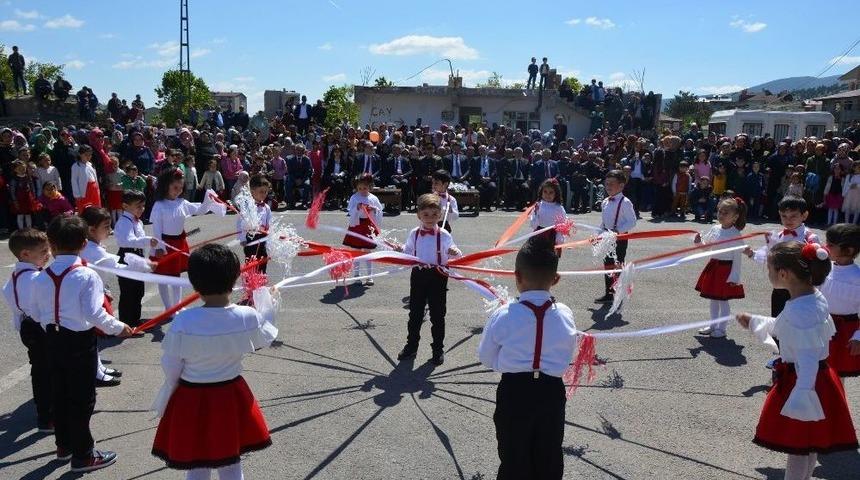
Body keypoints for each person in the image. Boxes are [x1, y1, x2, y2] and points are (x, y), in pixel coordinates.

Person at [151, 244, 276, 480]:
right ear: (234, 277)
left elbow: (170, 363)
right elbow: (266, 336)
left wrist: (173, 385)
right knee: (231, 459)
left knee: (197, 461)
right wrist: (267, 301)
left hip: (191, 396)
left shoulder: (185, 320)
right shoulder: (246, 316)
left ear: (194, 283)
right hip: (230, 394)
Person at [736, 242, 858, 480]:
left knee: (798, 447)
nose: (768, 274)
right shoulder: (811, 297)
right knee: (808, 445)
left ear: (784, 274)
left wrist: (803, 393)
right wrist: (754, 321)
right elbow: (787, 327)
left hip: (805, 381)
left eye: (769, 269)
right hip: (816, 379)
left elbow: (808, 354)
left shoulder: (802, 309)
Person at [32, 215, 133, 473]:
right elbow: (94, 314)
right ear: (83, 242)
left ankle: (64, 446)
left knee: (61, 393)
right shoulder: (86, 275)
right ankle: (84, 455)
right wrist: (119, 327)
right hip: (79, 343)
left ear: (52, 244)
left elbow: (36, 312)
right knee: (82, 400)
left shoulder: (41, 276)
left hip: (52, 340)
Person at [478, 236, 578, 480]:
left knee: (514, 452)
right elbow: (568, 352)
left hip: (514, 390)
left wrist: (507, 363)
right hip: (551, 392)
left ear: (517, 276)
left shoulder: (504, 314)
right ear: (555, 279)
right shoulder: (565, 314)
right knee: (549, 451)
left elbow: (485, 357)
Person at [396, 193, 462, 365]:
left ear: (440, 215)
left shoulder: (445, 234)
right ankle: (411, 347)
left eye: (434, 215)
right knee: (415, 314)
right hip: (418, 276)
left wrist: (454, 252)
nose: (430, 218)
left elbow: (454, 253)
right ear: (419, 215)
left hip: (438, 277)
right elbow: (408, 252)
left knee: (438, 315)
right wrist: (399, 248)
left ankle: (437, 349)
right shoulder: (414, 233)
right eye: (426, 215)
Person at [150, 168, 225, 310]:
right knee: (163, 278)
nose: (178, 190)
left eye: (180, 187)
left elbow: (200, 210)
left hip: (179, 243)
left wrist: (208, 199)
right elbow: (157, 230)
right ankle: (168, 308)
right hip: (164, 244)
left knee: (176, 276)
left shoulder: (182, 202)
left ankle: (177, 305)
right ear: (166, 186)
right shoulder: (159, 205)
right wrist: (160, 247)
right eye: (175, 187)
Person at [2, 228, 53, 433]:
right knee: (48, 372)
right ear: (25, 254)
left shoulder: (14, 277)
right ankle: (48, 417)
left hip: (27, 326)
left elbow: (13, 303)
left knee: (41, 369)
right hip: (40, 328)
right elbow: (42, 309)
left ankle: (46, 413)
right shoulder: (35, 279)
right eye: (43, 251)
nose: (48, 254)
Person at [747, 196, 820, 317]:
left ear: (804, 215)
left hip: (800, 289)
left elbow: (817, 265)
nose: (788, 220)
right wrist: (751, 253)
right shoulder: (778, 236)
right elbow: (769, 257)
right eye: (784, 216)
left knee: (798, 323)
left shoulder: (810, 238)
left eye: (793, 216)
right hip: (780, 287)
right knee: (778, 321)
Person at [694, 197, 748, 338]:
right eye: (720, 212)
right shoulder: (715, 228)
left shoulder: (735, 234)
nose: (721, 215)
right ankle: (712, 325)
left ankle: (722, 329)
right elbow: (707, 248)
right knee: (713, 299)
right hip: (714, 267)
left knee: (723, 301)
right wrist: (699, 243)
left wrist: (734, 276)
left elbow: (737, 258)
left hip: (726, 270)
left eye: (725, 213)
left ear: (735, 217)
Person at [821, 223, 860, 379]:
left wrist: (858, 337)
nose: (825, 246)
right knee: (814, 369)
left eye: (830, 244)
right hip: (820, 326)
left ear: (849, 250)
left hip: (845, 332)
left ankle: (835, 402)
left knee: (836, 376)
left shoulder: (857, 277)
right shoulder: (824, 268)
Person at [114, 190, 157, 328]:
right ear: (125, 206)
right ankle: (127, 323)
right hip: (127, 257)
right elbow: (127, 241)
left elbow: (140, 242)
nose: (142, 209)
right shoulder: (124, 222)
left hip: (136, 256)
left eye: (143, 206)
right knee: (128, 292)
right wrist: (147, 240)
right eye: (138, 206)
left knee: (138, 291)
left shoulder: (136, 221)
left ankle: (135, 320)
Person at [596, 170, 637, 304]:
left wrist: (618, 230)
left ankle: (618, 293)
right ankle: (609, 293)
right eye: (607, 184)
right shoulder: (605, 202)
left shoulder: (625, 202)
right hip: (607, 238)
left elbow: (632, 221)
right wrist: (598, 234)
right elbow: (603, 221)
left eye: (611, 184)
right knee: (607, 265)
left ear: (621, 186)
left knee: (617, 265)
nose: (608, 187)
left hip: (619, 239)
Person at [343, 173, 383, 284]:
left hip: (368, 227)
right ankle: (356, 275)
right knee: (356, 251)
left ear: (370, 186)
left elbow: (380, 210)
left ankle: (369, 275)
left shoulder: (373, 198)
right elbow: (350, 211)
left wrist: (374, 209)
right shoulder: (354, 197)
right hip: (357, 226)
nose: (362, 190)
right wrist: (357, 207)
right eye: (359, 188)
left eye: (365, 188)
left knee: (367, 251)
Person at [238, 175, 272, 273]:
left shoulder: (266, 207)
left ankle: (261, 279)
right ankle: (251, 281)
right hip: (251, 238)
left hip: (263, 238)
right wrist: (243, 238)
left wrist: (270, 236)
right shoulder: (247, 207)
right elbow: (240, 223)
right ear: (252, 191)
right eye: (261, 191)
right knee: (251, 260)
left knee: (263, 260)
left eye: (266, 192)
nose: (264, 194)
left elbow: (269, 223)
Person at [530, 179, 567, 250]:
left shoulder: (558, 207)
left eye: (551, 192)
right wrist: (536, 213)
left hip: (552, 236)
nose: (547, 195)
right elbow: (533, 224)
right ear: (541, 192)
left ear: (556, 193)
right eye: (545, 192)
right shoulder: (538, 205)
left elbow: (562, 223)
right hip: (539, 235)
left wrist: (559, 237)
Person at [8, 159, 39, 229]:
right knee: (20, 215)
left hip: (28, 199)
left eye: (23, 168)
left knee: (28, 215)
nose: (22, 170)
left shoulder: (28, 177)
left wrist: (33, 196)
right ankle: (21, 230)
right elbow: (12, 191)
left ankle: (29, 228)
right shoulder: (14, 179)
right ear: (15, 170)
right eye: (19, 168)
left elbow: (32, 187)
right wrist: (14, 200)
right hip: (19, 200)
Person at [71, 145, 101, 214]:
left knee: (95, 210)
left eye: (90, 155)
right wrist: (77, 194)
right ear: (80, 154)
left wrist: (98, 190)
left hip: (94, 191)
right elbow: (74, 181)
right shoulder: (76, 166)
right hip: (84, 192)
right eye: (86, 155)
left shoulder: (91, 165)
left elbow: (95, 178)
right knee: (86, 211)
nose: (88, 157)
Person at [470, 145, 498, 210]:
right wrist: (481, 177)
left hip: (489, 179)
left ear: (487, 151)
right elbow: (473, 171)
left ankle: (488, 205)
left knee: (492, 187)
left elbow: (494, 171)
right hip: (479, 179)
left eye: (484, 150)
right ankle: (481, 204)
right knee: (480, 188)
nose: (482, 152)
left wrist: (489, 178)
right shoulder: (475, 160)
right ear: (479, 152)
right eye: (481, 150)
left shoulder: (492, 160)